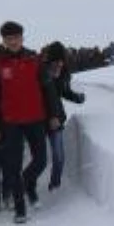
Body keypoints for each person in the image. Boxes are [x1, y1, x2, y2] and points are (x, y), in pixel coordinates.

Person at [0, 21, 60, 224]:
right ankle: (20, 208)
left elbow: (48, 89)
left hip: (35, 119)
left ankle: (27, 183)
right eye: (8, 38)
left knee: (41, 160)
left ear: (22, 38)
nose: (12, 42)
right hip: (10, 123)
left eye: (16, 37)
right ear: (3, 40)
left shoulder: (34, 60)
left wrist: (54, 114)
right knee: (12, 165)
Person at [42, 42, 85, 190]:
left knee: (59, 157)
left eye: (62, 60)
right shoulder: (40, 71)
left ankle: (55, 185)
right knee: (39, 158)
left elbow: (64, 92)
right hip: (39, 119)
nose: (59, 63)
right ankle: (26, 183)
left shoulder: (64, 72)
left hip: (57, 119)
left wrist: (76, 97)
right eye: (56, 60)